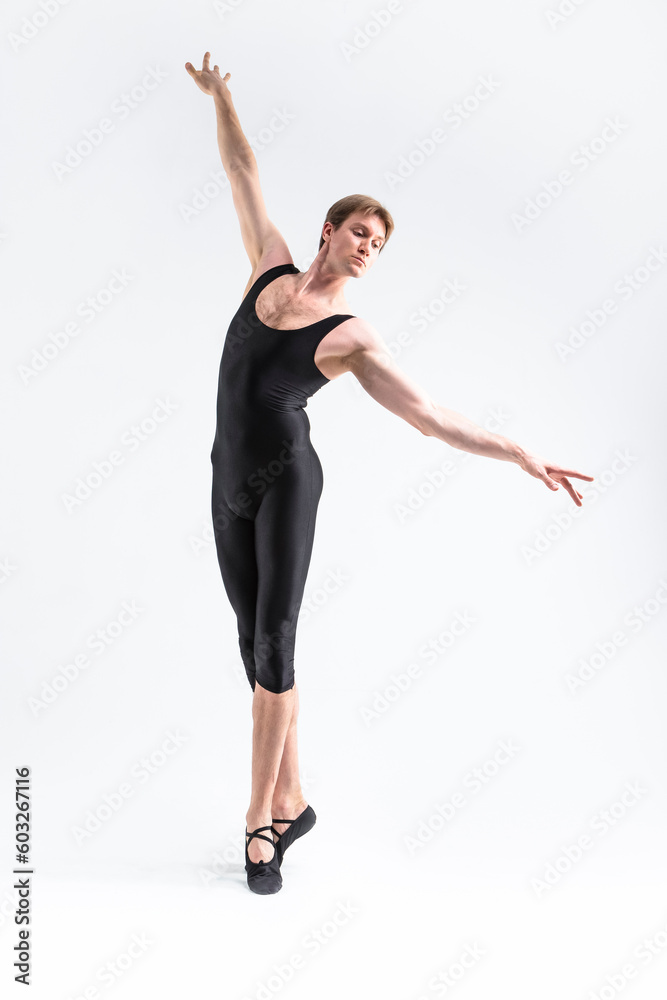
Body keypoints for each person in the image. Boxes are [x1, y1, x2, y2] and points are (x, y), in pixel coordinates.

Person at [185, 52, 595, 895]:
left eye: (379, 244)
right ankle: (294, 796)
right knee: (249, 649)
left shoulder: (352, 335)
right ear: (328, 229)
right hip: (225, 479)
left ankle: (261, 826)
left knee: (276, 652)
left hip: (287, 485)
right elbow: (240, 168)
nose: (367, 249)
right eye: (359, 233)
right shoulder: (267, 262)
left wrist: (518, 450)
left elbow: (428, 416)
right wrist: (222, 96)